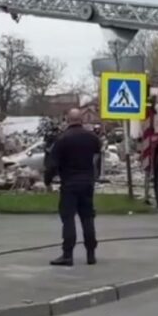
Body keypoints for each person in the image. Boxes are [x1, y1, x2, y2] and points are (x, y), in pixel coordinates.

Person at [44, 108, 102, 266]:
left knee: (68, 218)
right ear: (81, 120)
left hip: (69, 183)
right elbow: (97, 158)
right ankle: (91, 254)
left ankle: (67, 255)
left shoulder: (62, 139)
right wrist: (95, 176)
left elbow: (52, 164)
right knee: (87, 217)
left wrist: (47, 181)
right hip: (87, 183)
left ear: (68, 120)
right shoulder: (92, 138)